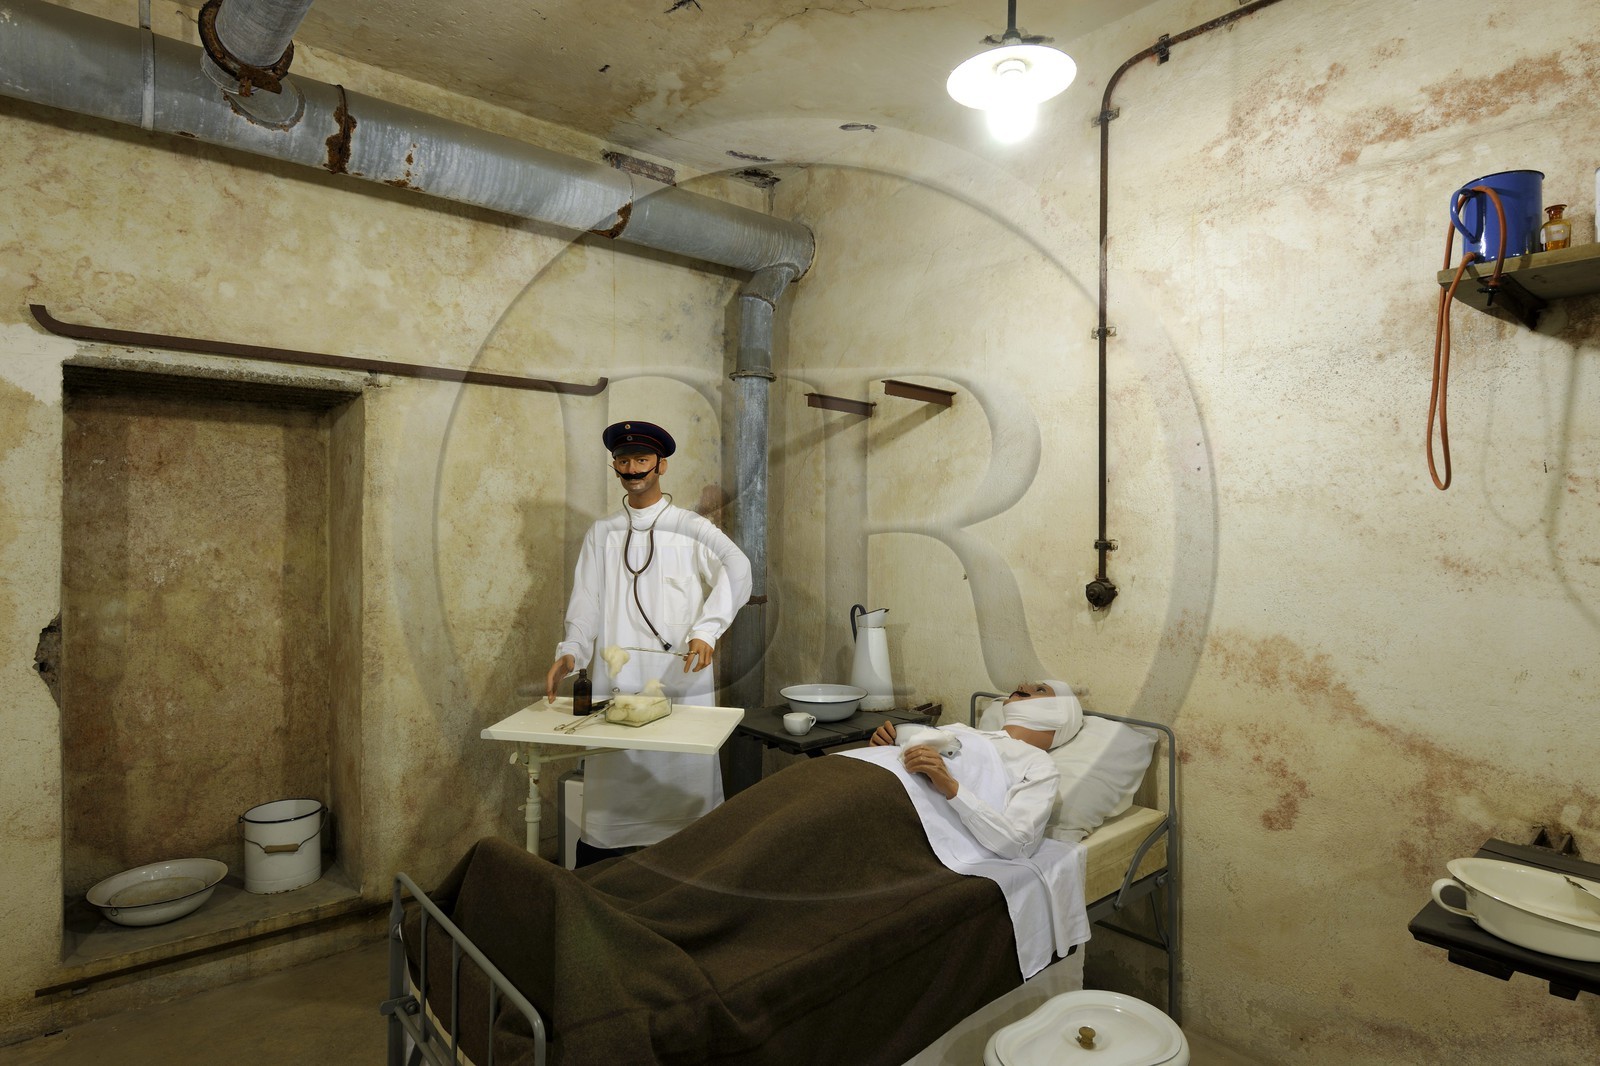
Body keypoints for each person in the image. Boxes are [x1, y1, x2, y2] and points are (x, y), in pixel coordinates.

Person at [545, 420, 753, 864]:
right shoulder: (601, 534)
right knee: (612, 790)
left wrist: (706, 630)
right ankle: (602, 896)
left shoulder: (690, 527)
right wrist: (571, 650)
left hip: (681, 681)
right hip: (620, 684)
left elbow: (737, 569)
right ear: (615, 466)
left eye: (642, 460)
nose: (633, 468)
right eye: (624, 460)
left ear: (662, 465)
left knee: (686, 801)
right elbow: (586, 602)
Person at [864, 680, 1081, 860]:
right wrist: (883, 748)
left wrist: (951, 787)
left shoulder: (1037, 762)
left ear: (1060, 714)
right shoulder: (961, 730)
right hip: (863, 773)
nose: (1023, 684)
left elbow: (1018, 844)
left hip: (888, 804)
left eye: (1040, 690)